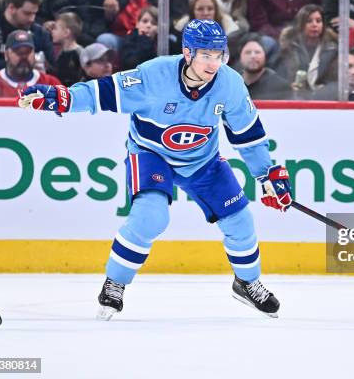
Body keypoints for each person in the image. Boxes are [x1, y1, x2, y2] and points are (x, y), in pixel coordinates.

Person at [17, 19, 291, 320]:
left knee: (240, 220)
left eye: (219, 55)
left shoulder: (230, 84)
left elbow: (248, 135)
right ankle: (115, 282)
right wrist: (64, 98)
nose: (214, 63)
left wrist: (267, 174)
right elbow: (102, 93)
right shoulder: (154, 76)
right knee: (150, 216)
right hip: (151, 153)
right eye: (206, 55)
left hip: (202, 160)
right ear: (187, 53)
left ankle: (247, 282)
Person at [275, 4, 338, 99]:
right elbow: (278, 78)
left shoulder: (332, 49)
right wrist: (288, 86)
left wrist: (325, 89)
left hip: (324, 100)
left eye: (318, 21)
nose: (315, 25)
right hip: (292, 99)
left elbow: (336, 82)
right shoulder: (288, 48)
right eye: (309, 21)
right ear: (300, 24)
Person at [0, 29, 62, 97]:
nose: (24, 57)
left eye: (28, 52)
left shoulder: (50, 84)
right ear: (6, 55)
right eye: (18, 52)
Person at [238, 33, 291, 100]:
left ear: (265, 56)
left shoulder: (281, 87)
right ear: (240, 57)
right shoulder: (231, 86)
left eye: (257, 52)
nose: (253, 56)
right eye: (248, 52)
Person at [50, 12, 84, 86]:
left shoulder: (80, 53)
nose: (52, 31)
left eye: (55, 28)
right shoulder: (60, 53)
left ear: (66, 33)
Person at [120, 5, 158, 70]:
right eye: (145, 21)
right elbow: (130, 63)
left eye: (154, 23)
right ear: (137, 24)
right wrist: (145, 40)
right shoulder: (129, 40)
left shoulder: (164, 42)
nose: (148, 25)